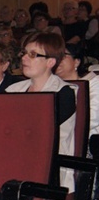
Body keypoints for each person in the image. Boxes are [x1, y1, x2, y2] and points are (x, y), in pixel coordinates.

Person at [7, 33, 76, 189]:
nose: (24, 58)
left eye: (33, 55)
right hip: (14, 159)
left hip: (49, 167)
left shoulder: (64, 93)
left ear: (50, 62)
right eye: (24, 53)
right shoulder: (12, 90)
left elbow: (36, 131)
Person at [56, 43, 99, 138]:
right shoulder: (52, 86)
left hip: (87, 140)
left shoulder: (93, 83)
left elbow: (91, 118)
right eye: (54, 56)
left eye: (62, 56)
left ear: (76, 62)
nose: (57, 60)